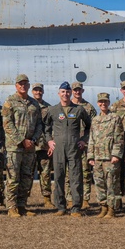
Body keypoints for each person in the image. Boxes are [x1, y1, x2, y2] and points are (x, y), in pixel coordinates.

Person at [43, 81, 91, 217]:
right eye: (63, 92)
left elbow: (89, 126)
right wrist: (49, 141)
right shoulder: (52, 110)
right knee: (58, 177)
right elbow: (46, 128)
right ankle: (61, 207)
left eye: (67, 92)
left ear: (71, 93)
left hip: (74, 148)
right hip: (58, 148)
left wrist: (83, 140)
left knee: (75, 177)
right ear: (59, 94)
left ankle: (76, 207)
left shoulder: (79, 109)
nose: (65, 94)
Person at [2, 74, 43, 217]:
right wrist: (22, 140)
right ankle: (11, 207)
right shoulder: (10, 102)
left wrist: (33, 140)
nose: (23, 86)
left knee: (26, 177)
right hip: (15, 147)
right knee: (13, 177)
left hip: (30, 147)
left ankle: (22, 205)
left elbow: (39, 124)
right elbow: (7, 124)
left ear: (29, 86)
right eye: (20, 84)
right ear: (16, 86)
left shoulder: (34, 104)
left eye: (25, 84)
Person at [88, 92, 124, 218]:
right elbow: (91, 139)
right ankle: (103, 207)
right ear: (98, 103)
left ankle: (111, 209)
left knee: (112, 184)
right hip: (98, 157)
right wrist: (90, 156)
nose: (103, 104)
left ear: (109, 103)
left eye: (105, 102)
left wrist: (116, 155)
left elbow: (119, 138)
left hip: (110, 158)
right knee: (99, 184)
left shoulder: (115, 118)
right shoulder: (95, 120)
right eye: (101, 102)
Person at [71, 82, 97, 205]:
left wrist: (84, 140)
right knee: (69, 173)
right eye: (75, 90)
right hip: (71, 145)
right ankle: (70, 199)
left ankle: (86, 199)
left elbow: (93, 127)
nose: (77, 92)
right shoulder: (67, 106)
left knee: (86, 173)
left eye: (79, 90)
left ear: (83, 91)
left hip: (85, 145)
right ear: (72, 91)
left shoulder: (89, 108)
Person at [31, 83, 53, 207]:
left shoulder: (48, 108)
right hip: (30, 145)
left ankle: (47, 199)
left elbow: (52, 127)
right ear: (32, 91)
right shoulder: (28, 105)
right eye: (36, 90)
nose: (38, 92)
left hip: (44, 145)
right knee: (27, 173)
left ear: (43, 91)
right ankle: (24, 200)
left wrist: (51, 144)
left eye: (40, 90)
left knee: (45, 173)